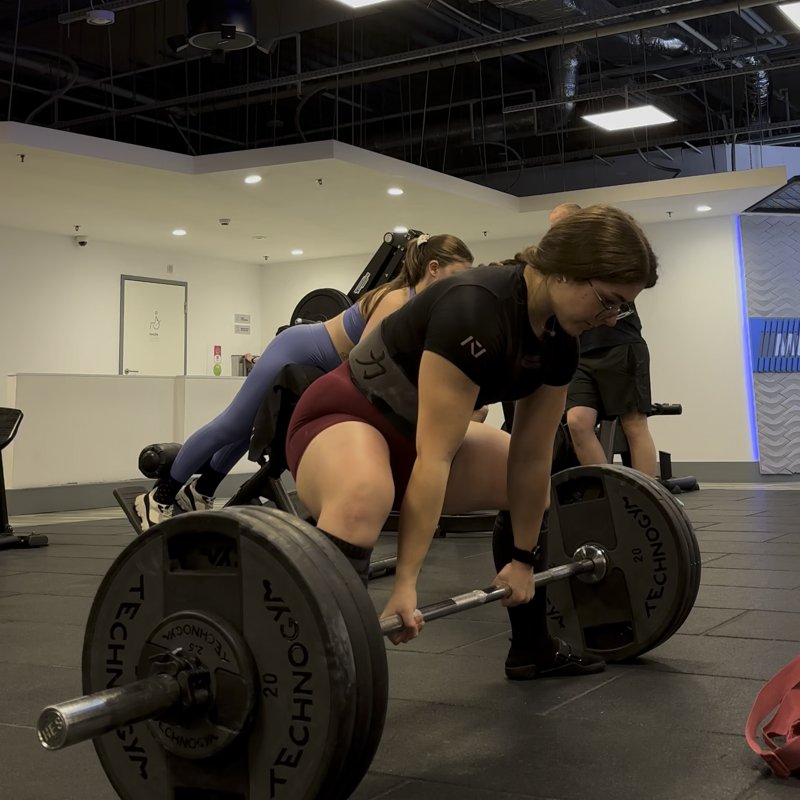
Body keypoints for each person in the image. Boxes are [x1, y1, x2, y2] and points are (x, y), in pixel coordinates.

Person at [285, 204, 659, 680]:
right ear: (566, 272)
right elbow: (435, 455)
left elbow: (530, 455)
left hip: (415, 440)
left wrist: (523, 561)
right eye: (608, 300)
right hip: (340, 421)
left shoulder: (561, 343)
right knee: (364, 494)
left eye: (622, 307)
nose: (612, 319)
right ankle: (320, 672)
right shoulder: (475, 307)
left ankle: (531, 646)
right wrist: (405, 585)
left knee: (524, 478)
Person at [134, 234, 475, 531]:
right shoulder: (396, 300)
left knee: (249, 429)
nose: (458, 285)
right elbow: (367, 363)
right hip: (296, 349)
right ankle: (158, 496)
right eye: (457, 274)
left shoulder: (418, 304)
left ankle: (201, 491)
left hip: (319, 365)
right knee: (232, 425)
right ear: (433, 267)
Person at [550, 204, 658, 476]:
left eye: (561, 225)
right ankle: (609, 492)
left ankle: (647, 499)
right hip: (582, 354)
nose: (556, 233)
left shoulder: (607, 257)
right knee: (577, 422)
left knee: (633, 423)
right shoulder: (559, 270)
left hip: (620, 347)